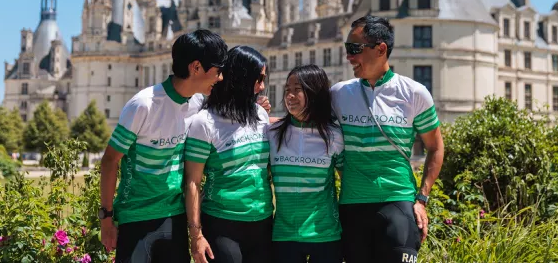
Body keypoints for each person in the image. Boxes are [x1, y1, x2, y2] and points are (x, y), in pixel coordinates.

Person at [99, 29, 228, 263]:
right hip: (136, 217)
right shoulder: (144, 105)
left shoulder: (198, 104)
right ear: (196, 67)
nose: (220, 78)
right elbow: (110, 161)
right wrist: (106, 219)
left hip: (174, 218)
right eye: (217, 71)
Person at [331, 15, 445, 263]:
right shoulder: (338, 94)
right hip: (353, 207)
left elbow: (435, 148)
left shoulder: (414, 93)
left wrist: (422, 199)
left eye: (354, 49)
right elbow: (306, 128)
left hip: (398, 204)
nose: (349, 56)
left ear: (380, 49)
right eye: (347, 49)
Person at [184, 46, 274, 263]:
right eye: (258, 78)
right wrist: (196, 236)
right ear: (240, 78)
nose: (262, 86)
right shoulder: (204, 122)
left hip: (263, 222)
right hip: (222, 224)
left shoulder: (260, 115)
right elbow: (192, 183)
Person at [268, 64, 344, 263]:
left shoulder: (334, 136)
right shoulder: (272, 134)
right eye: (287, 90)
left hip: (325, 234)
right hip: (284, 235)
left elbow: (348, 182)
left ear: (314, 92)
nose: (289, 96)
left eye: (297, 90)